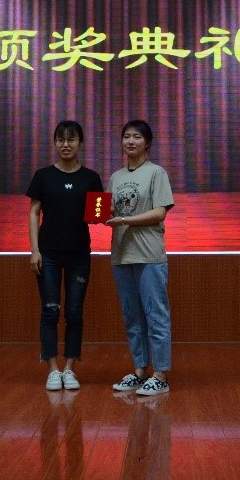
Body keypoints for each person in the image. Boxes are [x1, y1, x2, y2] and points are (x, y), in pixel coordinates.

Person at [27, 120, 104, 391]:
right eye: (61, 139)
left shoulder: (91, 177)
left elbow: (98, 214)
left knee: (74, 312)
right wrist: (35, 250)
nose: (66, 145)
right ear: (54, 143)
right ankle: (52, 369)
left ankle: (70, 369)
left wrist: (107, 211)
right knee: (50, 311)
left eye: (71, 139)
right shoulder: (43, 176)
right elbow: (34, 212)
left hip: (79, 253)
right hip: (48, 254)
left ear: (80, 143)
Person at [105, 119, 175, 396]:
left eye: (137, 137)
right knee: (132, 316)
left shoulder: (157, 173)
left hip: (149, 255)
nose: (130, 141)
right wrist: (100, 214)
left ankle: (161, 374)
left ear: (147, 143)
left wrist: (124, 220)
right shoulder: (116, 177)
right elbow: (108, 209)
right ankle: (140, 370)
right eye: (126, 137)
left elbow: (160, 212)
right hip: (122, 255)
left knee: (156, 315)